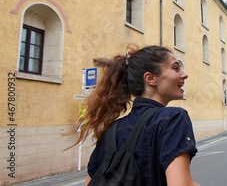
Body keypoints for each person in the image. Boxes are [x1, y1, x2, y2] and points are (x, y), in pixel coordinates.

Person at [66, 45, 199, 186]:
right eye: (176, 68)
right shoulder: (173, 118)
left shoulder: (111, 130)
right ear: (150, 78)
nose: (184, 74)